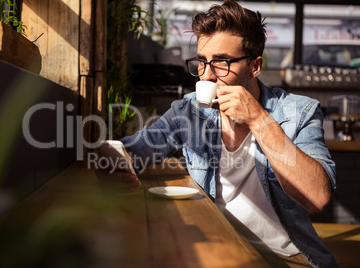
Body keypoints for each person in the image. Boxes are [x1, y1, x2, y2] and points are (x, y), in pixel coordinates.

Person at [105, 0, 337, 267]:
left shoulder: (300, 112)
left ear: (254, 66)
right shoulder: (189, 111)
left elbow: (317, 199)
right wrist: (116, 163)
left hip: (287, 258)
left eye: (222, 63)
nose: (206, 76)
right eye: (202, 63)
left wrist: (257, 119)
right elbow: (138, 148)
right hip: (216, 250)